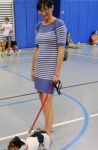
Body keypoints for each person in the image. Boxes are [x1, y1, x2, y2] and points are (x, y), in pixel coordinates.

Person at [31, 0, 67, 135]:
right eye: (40, 10)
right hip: (39, 68)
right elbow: (36, 49)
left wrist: (57, 73)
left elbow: (61, 50)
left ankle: (47, 134)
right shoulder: (38, 26)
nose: (43, 13)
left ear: (52, 7)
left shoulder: (59, 24)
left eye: (46, 9)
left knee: (47, 102)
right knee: (42, 100)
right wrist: (33, 69)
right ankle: (47, 126)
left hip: (50, 70)